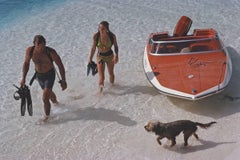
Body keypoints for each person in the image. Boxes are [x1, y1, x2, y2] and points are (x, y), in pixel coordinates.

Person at [20, 35, 67, 121]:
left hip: (49, 75)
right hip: (39, 76)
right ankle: (57, 103)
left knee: (45, 97)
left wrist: (63, 80)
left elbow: (60, 66)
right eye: (39, 47)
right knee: (49, 94)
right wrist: (23, 78)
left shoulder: (51, 52)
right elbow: (26, 64)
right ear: (34, 44)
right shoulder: (30, 51)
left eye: (43, 46)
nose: (42, 49)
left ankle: (47, 117)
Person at [88, 21, 119, 93]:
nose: (100, 30)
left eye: (103, 29)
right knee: (102, 77)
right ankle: (100, 92)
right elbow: (93, 48)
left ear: (107, 29)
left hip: (110, 56)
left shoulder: (112, 36)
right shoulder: (96, 36)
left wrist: (116, 56)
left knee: (111, 74)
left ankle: (112, 86)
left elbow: (116, 46)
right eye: (99, 28)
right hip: (100, 57)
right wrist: (90, 58)